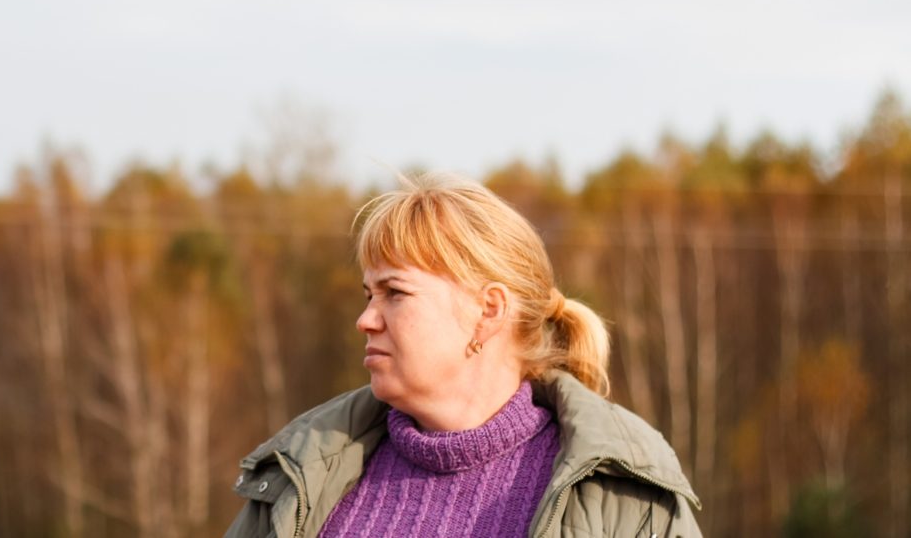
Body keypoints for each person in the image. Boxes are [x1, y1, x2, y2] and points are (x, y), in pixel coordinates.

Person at [224, 172, 701, 538]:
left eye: (394, 293)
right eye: (368, 294)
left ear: (488, 311)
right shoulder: (296, 475)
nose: (366, 319)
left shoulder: (626, 494)